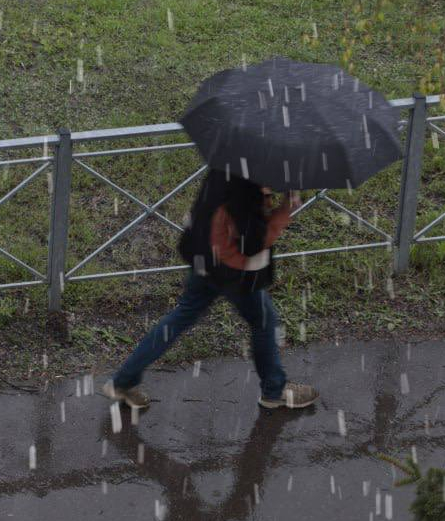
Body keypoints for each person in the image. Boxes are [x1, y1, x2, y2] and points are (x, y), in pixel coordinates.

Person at [102, 167, 318, 411]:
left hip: (204, 256)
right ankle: (274, 390)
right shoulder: (247, 186)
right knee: (264, 320)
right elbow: (254, 241)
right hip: (233, 271)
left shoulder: (228, 161)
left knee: (180, 317)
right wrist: (284, 210)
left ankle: (123, 381)